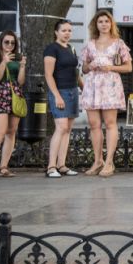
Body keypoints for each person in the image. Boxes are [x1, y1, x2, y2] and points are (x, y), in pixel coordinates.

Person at [81, 9, 133, 178]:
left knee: (110, 123)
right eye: (100, 21)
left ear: (111, 24)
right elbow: (84, 67)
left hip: (110, 85)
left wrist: (111, 67)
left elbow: (128, 67)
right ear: (96, 25)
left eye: (106, 21)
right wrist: (90, 66)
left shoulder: (118, 43)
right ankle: (98, 161)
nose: (103, 24)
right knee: (94, 124)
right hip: (92, 85)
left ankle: (109, 162)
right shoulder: (90, 43)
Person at [0, 31, 26, 180]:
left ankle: (3, 167)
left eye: (13, 43)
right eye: (6, 42)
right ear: (1, 42)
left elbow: (20, 82)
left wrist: (22, 67)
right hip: (0, 93)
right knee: (0, 132)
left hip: (15, 93)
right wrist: (4, 62)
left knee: (11, 131)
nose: (10, 45)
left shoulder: (17, 58)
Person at [44, 19, 80, 178]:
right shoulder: (52, 48)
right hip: (59, 92)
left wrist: (84, 88)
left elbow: (76, 72)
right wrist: (57, 96)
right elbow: (48, 75)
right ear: (56, 32)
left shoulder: (71, 48)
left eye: (69, 31)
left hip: (73, 91)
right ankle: (51, 167)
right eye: (64, 30)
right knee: (61, 127)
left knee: (68, 129)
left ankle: (62, 165)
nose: (67, 33)